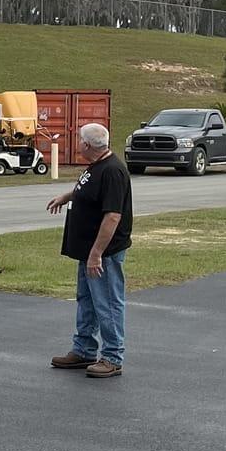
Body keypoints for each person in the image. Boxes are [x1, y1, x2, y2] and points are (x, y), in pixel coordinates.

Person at [47, 121, 132, 378]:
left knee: (106, 303)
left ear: (86, 145)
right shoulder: (97, 166)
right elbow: (90, 192)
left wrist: (96, 254)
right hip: (87, 251)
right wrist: (68, 196)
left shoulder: (113, 171)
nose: (76, 143)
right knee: (87, 301)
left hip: (102, 253)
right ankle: (83, 349)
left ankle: (112, 356)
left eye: (79, 140)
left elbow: (112, 217)